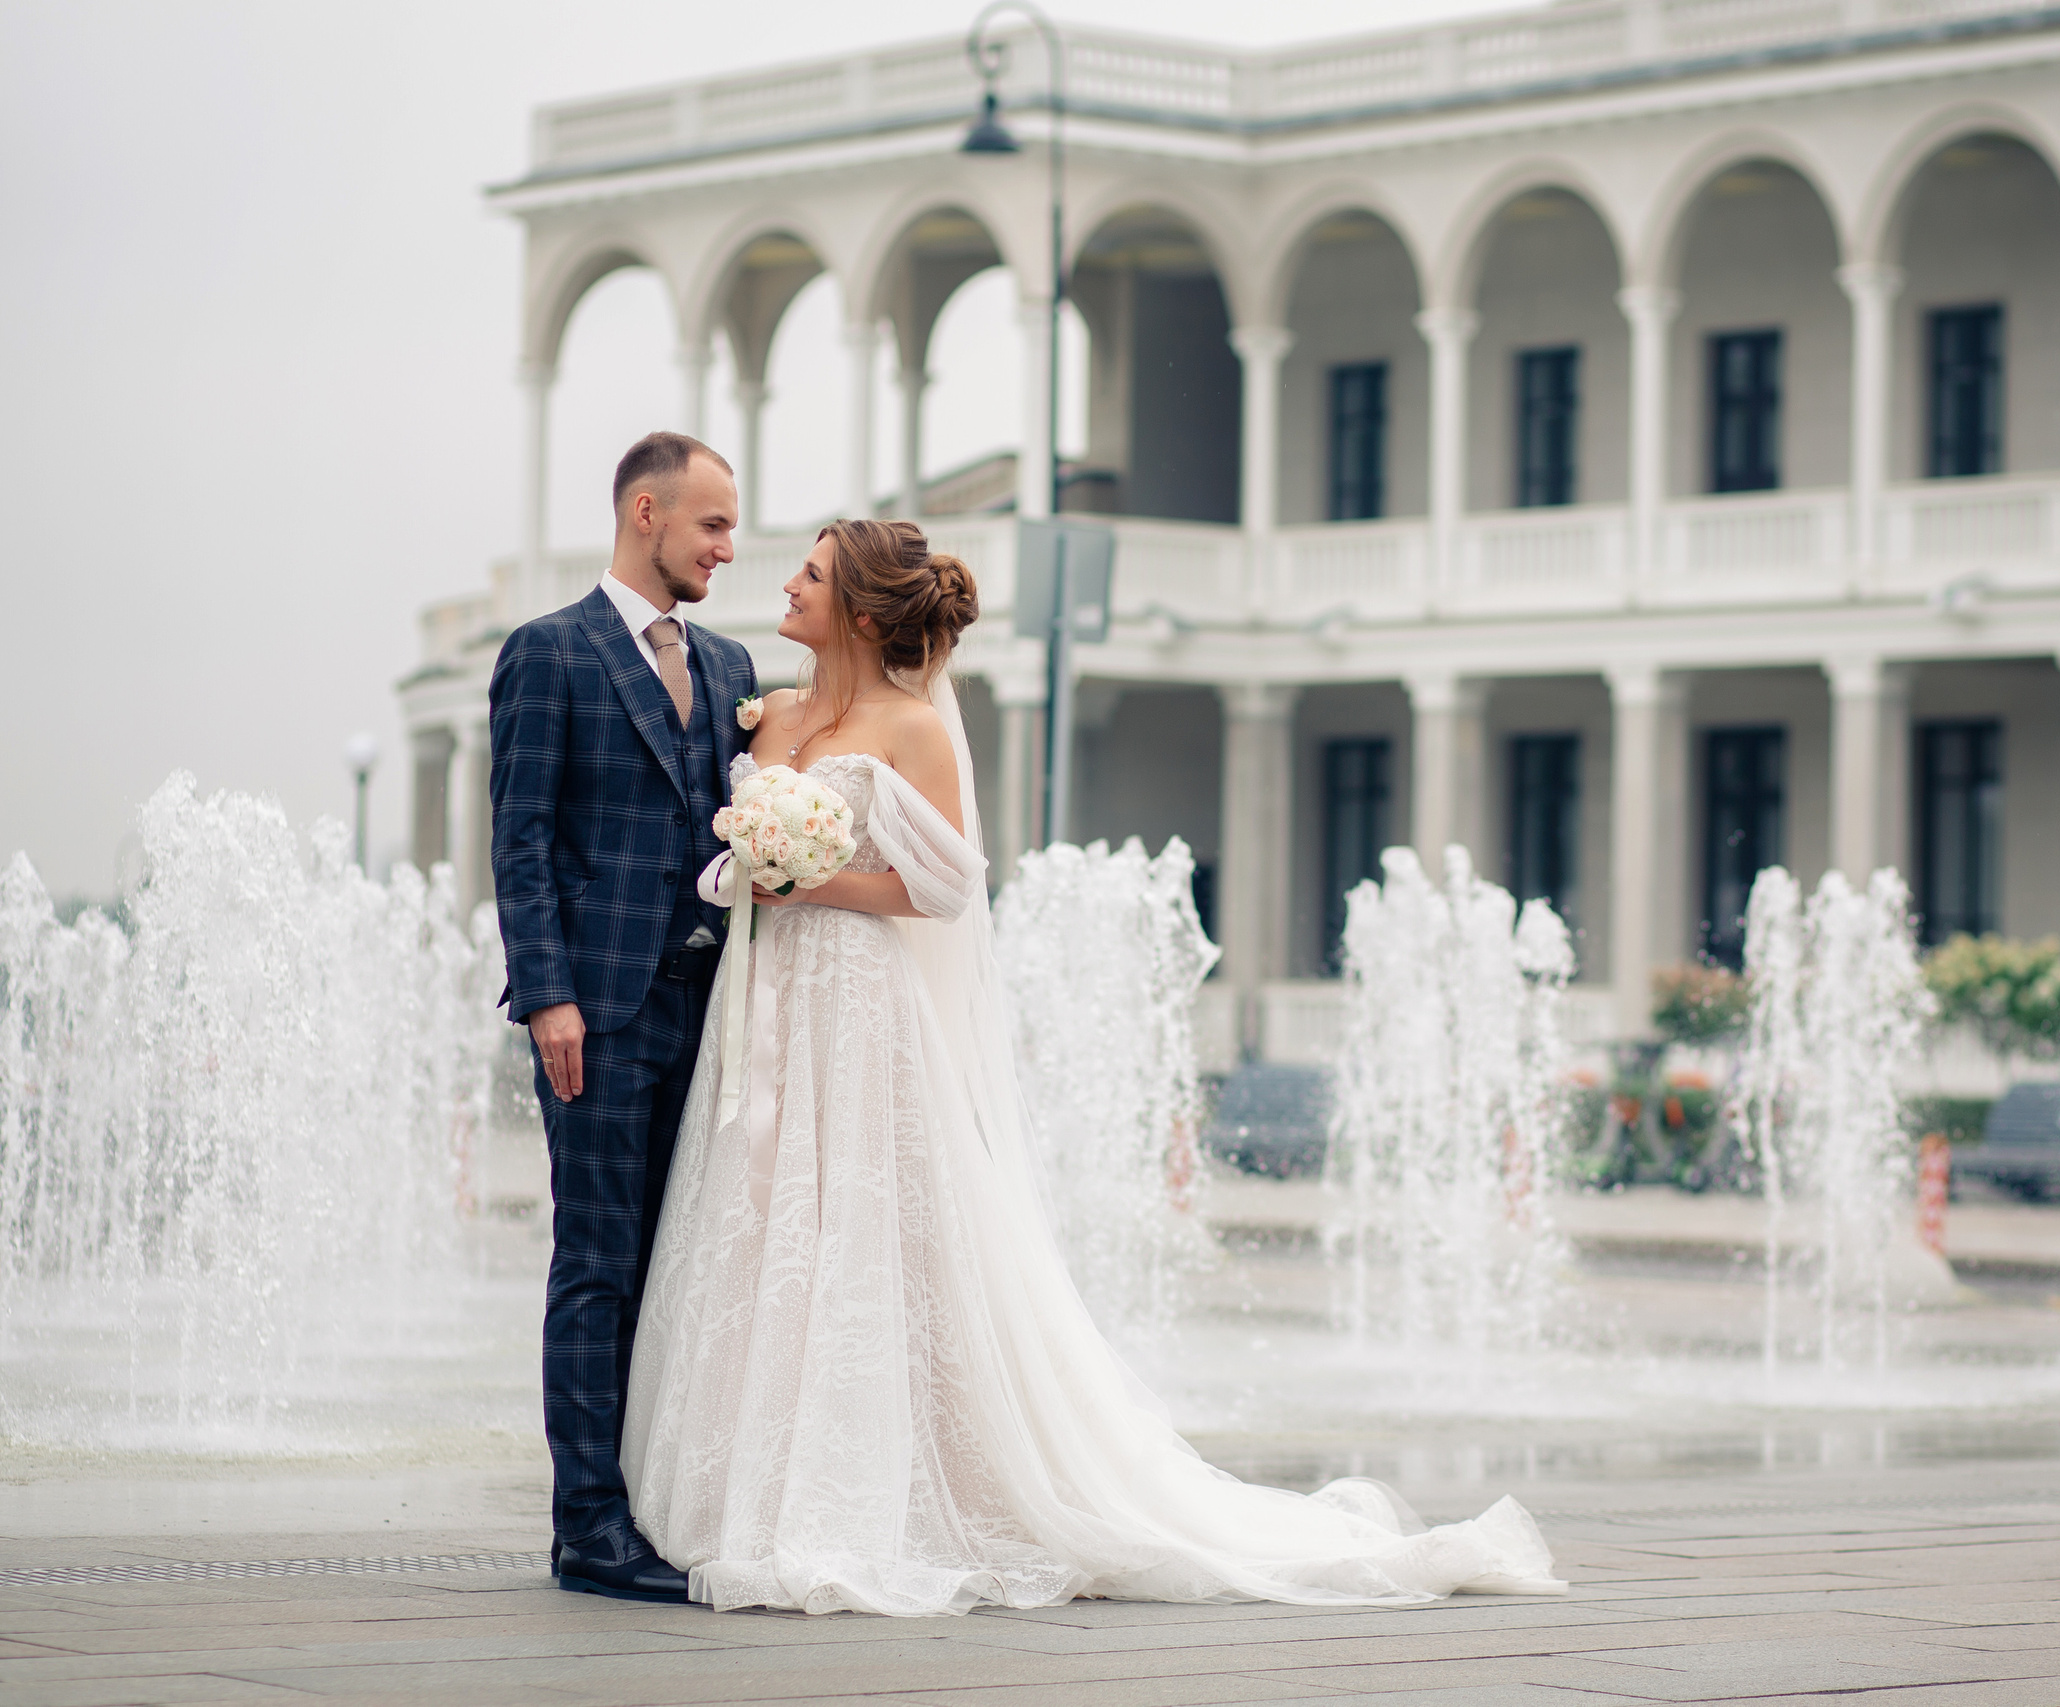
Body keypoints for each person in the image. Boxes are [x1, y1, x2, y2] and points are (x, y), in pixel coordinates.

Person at [621, 519, 1561, 1616]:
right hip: (765, 996)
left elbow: (945, 886)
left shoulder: (913, 727)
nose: (788, 581)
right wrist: (756, 868)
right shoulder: (774, 714)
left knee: (865, 1230)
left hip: (861, 1003)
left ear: (864, 613)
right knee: (763, 1216)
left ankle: (880, 1485)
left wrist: (805, 879)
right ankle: (745, 1482)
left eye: (814, 574)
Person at [490, 432, 758, 1603]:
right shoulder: (549, 651)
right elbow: (520, 841)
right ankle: (587, 1528)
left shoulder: (734, 665)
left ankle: (657, 1503)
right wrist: (547, 995)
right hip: (596, 1014)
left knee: (681, 1263)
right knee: (598, 1263)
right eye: (712, 524)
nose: (727, 548)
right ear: (645, 512)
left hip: (713, 1013)